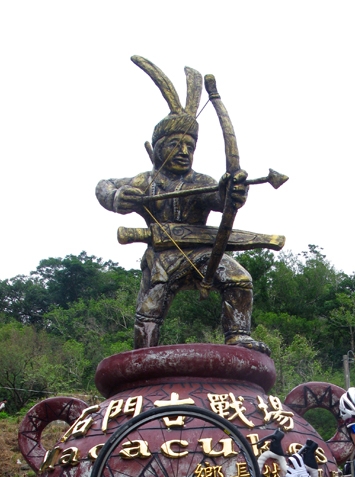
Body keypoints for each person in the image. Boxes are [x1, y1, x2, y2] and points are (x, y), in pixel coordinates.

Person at [96, 57, 268, 354]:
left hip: (202, 254)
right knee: (150, 307)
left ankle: (238, 334)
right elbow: (104, 186)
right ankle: (144, 356)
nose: (185, 151)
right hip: (162, 257)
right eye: (176, 144)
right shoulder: (146, 181)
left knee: (238, 277)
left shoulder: (200, 181)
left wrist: (232, 192)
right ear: (159, 147)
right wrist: (117, 197)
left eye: (190, 145)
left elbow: (219, 197)